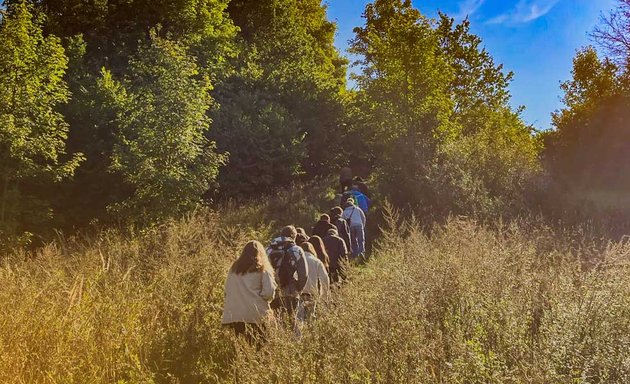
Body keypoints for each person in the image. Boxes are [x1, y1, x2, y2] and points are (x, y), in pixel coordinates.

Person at [222, 240, 277, 344]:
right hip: (256, 315)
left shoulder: (234, 268)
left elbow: (227, 290)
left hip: (234, 315)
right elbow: (269, 293)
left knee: (240, 350)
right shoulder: (263, 268)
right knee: (261, 349)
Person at [267, 225, 308, 322]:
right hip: (290, 291)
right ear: (294, 236)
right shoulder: (296, 250)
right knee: (291, 321)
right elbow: (303, 274)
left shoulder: (268, 249)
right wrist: (298, 288)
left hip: (272, 291)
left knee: (275, 321)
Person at [298, 242, 330, 322]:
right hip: (311, 293)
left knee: (299, 319)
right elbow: (325, 278)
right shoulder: (316, 261)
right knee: (310, 318)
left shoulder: (297, 260)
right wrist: (324, 295)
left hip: (299, 293)